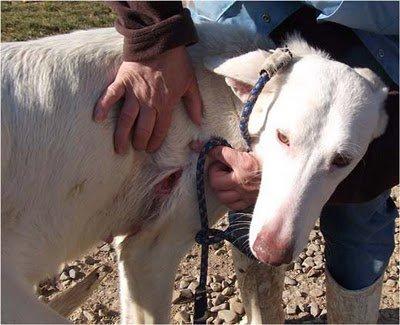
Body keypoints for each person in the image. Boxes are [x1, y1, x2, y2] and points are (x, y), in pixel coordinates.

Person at [94, 1, 399, 323]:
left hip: (373, 44)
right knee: (237, 193)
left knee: (358, 219)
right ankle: (263, 317)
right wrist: (151, 32)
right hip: (239, 27)